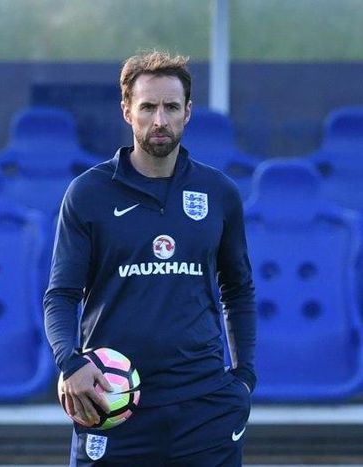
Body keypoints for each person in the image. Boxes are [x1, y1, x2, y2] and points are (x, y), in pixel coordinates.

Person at [44, 50, 256, 466]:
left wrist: (244, 377)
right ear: (127, 110)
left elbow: (239, 290)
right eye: (148, 107)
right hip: (112, 401)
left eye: (171, 107)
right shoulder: (89, 194)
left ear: (188, 112)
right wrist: (69, 364)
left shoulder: (219, 193)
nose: (160, 120)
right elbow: (61, 295)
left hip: (204, 404)